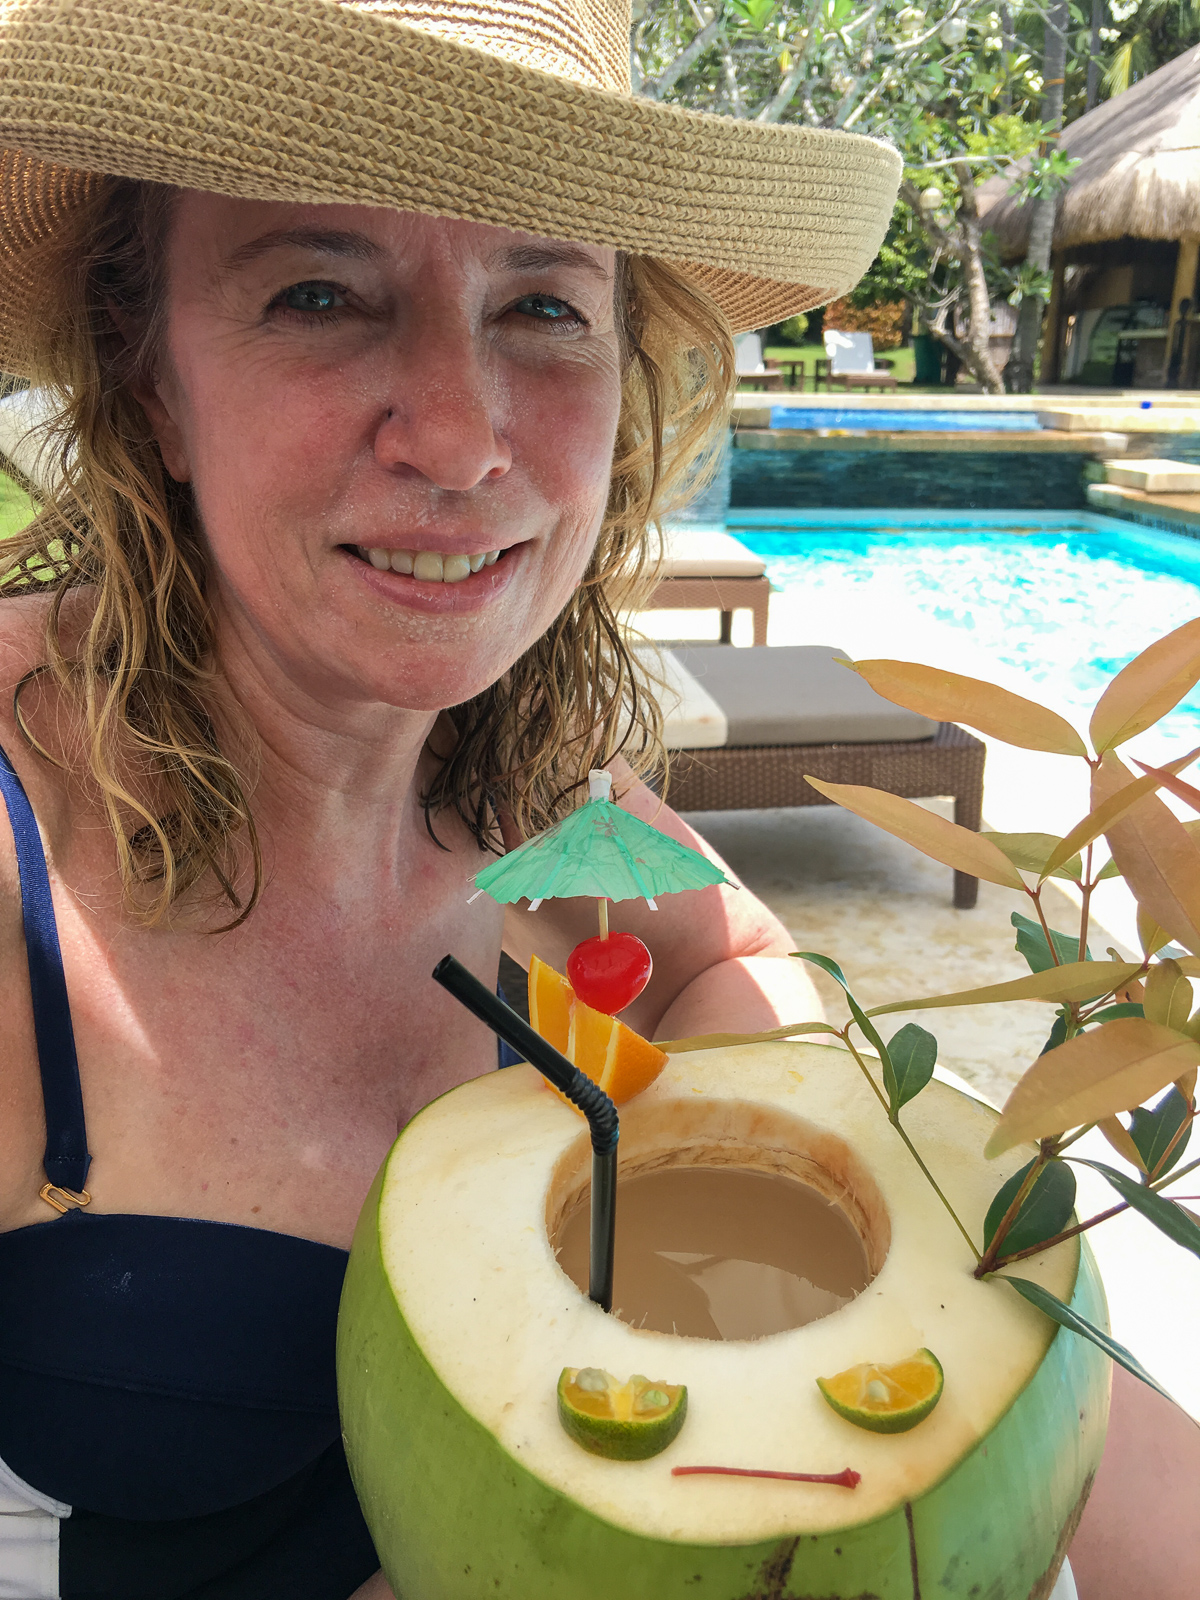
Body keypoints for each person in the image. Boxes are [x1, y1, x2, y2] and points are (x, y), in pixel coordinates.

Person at [0, 3, 1191, 1598]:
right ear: (148, 379)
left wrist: (748, 1108)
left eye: (545, 307)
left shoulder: (540, 788)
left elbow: (728, 961)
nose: (466, 434)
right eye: (319, 293)